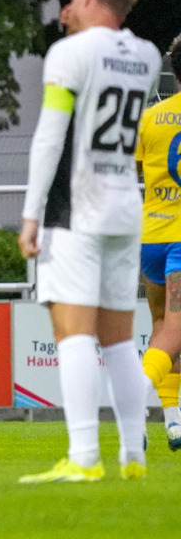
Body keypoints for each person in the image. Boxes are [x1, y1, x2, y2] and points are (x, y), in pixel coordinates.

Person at [17, 0, 160, 483]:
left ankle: (83, 457)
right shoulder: (147, 55)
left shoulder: (70, 53)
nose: (68, 6)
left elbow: (50, 135)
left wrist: (31, 214)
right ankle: (134, 455)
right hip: (125, 205)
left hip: (76, 207)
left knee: (72, 333)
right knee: (119, 339)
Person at [136, 35, 181, 451]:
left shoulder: (150, 118)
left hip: (151, 238)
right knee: (176, 331)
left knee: (162, 329)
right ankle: (133, 402)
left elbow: (136, 169)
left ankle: (172, 421)